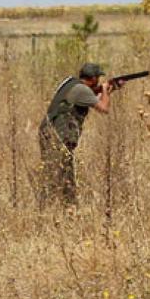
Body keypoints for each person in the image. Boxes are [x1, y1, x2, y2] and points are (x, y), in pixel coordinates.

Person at [38, 63, 114, 204]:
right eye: (97, 78)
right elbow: (104, 108)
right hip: (57, 137)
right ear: (92, 79)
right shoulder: (82, 90)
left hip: (51, 133)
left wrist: (106, 90)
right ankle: (45, 210)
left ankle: (68, 210)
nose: (98, 81)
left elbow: (88, 97)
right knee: (53, 177)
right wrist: (105, 91)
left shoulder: (71, 83)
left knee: (65, 177)